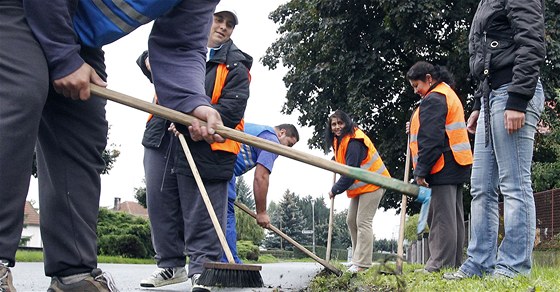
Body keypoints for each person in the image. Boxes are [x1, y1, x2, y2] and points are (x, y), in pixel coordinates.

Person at [0, 0, 220, 291]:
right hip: (20, 7)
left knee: (82, 128)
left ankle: (73, 274)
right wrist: (63, 56)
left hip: (77, 32)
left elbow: (181, 45)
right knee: (20, 95)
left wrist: (192, 101)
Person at [137, 5, 253, 290]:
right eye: (219, 19)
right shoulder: (180, 47)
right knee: (161, 201)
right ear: (205, 20)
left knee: (201, 208)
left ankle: (201, 270)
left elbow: (232, 109)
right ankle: (170, 265)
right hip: (162, 135)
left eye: (230, 24)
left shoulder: (236, 65)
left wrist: (193, 122)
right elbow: (149, 63)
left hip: (209, 144)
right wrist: (149, 61)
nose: (223, 26)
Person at [444, 0, 546, 280]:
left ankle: (513, 266)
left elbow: (533, 42)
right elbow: (486, 57)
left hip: (513, 92)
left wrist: (518, 98)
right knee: (481, 188)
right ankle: (479, 262)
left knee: (514, 184)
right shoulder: (486, 3)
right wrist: (478, 104)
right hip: (492, 97)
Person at [406, 61, 472, 273]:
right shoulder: (446, 93)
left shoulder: (433, 99)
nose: (416, 91)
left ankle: (439, 264)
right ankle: (452, 263)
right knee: (453, 216)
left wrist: (421, 171)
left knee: (441, 217)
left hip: (442, 164)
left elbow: (431, 138)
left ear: (429, 78)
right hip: (456, 162)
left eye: (417, 85)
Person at [222, 123, 299, 264]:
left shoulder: (259, 131)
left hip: (214, 162)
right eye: (289, 145)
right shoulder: (272, 142)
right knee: (226, 215)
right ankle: (229, 260)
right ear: (281, 133)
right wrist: (262, 212)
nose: (286, 150)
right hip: (222, 168)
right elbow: (261, 177)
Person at [326, 110, 391, 273]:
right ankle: (356, 258)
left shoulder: (355, 141)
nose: (337, 127)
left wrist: (335, 189)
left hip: (374, 182)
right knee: (351, 220)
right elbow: (347, 162)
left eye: (340, 123)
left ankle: (362, 264)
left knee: (363, 221)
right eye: (333, 124)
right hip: (362, 185)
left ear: (347, 122)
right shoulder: (340, 140)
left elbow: (351, 173)